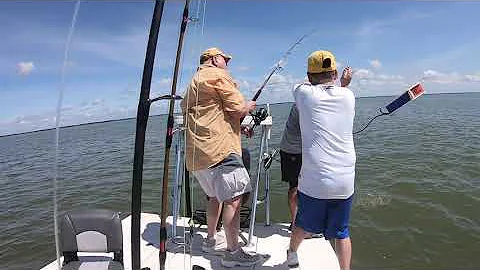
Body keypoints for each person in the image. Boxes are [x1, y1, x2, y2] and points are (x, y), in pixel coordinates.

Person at [181, 47, 261, 267]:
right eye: (225, 59)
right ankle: (233, 252)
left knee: (215, 197)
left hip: (197, 156)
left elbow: (211, 114)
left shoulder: (193, 83)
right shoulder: (218, 75)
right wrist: (248, 106)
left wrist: (237, 127)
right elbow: (237, 109)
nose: (227, 64)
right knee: (234, 199)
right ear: (215, 59)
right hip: (220, 152)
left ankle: (209, 240)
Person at [286, 50, 355, 270]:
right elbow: (335, 93)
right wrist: (343, 83)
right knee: (342, 232)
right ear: (335, 73)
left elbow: (304, 86)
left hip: (315, 180)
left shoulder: (304, 94)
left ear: (309, 76)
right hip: (345, 180)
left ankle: (292, 253)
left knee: (303, 224)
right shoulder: (348, 96)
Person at [279, 64, 352, 232]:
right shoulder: (307, 100)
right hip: (294, 149)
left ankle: (306, 222)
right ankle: (296, 222)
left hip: (306, 148)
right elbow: (333, 104)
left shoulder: (309, 96)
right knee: (296, 187)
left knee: (311, 185)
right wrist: (344, 85)